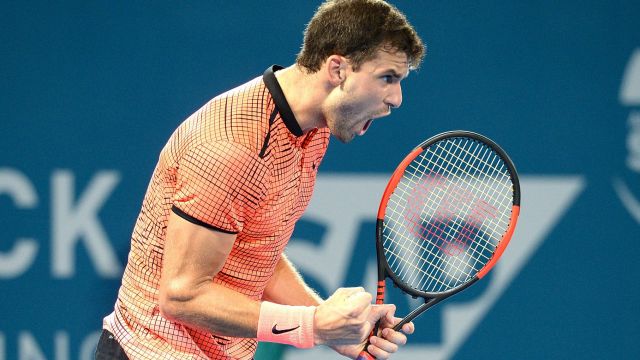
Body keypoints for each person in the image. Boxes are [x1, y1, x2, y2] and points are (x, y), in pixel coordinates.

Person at [96, 0, 425, 359]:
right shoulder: (233, 146)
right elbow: (181, 295)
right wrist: (313, 325)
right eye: (387, 78)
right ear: (338, 68)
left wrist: (334, 330)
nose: (397, 99)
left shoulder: (311, 130)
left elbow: (254, 250)